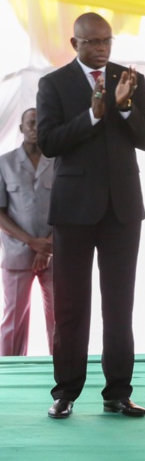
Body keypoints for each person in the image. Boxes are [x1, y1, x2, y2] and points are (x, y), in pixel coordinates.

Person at [36, 12, 145, 419]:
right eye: (93, 42)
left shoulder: (130, 79)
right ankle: (66, 392)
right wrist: (93, 115)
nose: (102, 48)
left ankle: (118, 393)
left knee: (120, 306)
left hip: (122, 211)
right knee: (71, 306)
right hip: (72, 212)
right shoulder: (53, 84)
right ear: (75, 44)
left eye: (107, 41)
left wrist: (123, 108)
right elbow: (49, 142)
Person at [0, 108, 55, 356]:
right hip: (17, 251)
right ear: (21, 128)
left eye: (40, 124)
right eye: (30, 124)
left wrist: (48, 245)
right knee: (13, 318)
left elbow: (67, 208)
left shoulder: (59, 162)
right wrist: (33, 243)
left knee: (60, 317)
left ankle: (64, 374)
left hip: (55, 252)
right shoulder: (4, 163)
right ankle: (9, 375)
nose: (35, 129)